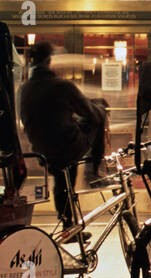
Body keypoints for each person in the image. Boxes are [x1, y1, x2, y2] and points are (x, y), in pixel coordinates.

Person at [18, 42, 106, 230]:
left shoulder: (24, 88)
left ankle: (67, 222)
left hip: (41, 150)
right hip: (66, 147)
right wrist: (98, 108)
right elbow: (90, 113)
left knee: (61, 176)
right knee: (99, 113)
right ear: (50, 62)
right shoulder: (61, 86)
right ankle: (94, 172)